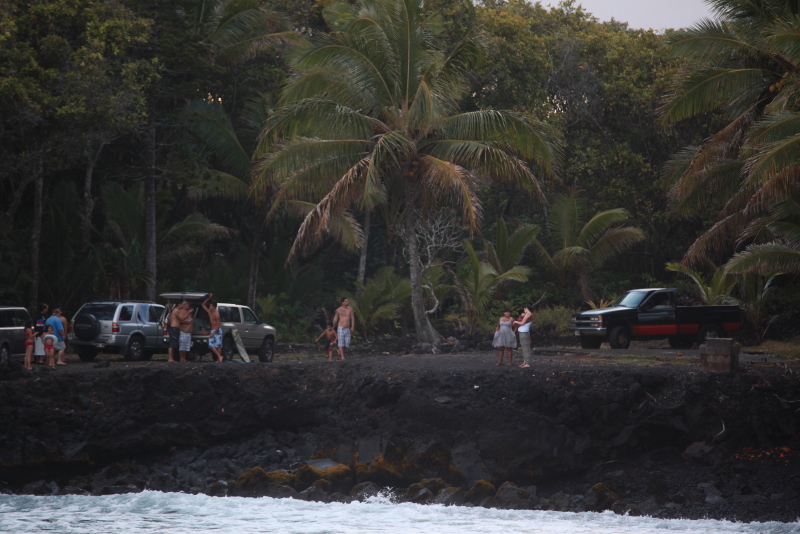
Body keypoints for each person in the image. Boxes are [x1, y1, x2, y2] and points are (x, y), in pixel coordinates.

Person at [202, 294, 223, 363]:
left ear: (214, 307)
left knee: (218, 345)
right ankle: (219, 356)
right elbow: (203, 304)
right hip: (212, 330)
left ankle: (218, 359)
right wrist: (209, 298)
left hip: (217, 330)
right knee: (211, 345)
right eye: (209, 306)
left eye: (211, 306)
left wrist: (214, 333)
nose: (209, 307)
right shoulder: (209, 312)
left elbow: (218, 325)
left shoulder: (216, 314)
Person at [514, 304, 534, 369]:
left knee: (526, 348)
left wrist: (515, 322)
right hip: (523, 332)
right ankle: (525, 362)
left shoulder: (528, 314)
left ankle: (527, 363)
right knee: (524, 347)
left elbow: (522, 323)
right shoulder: (528, 314)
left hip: (524, 332)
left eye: (524, 308)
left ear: (526, 308)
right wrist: (522, 315)